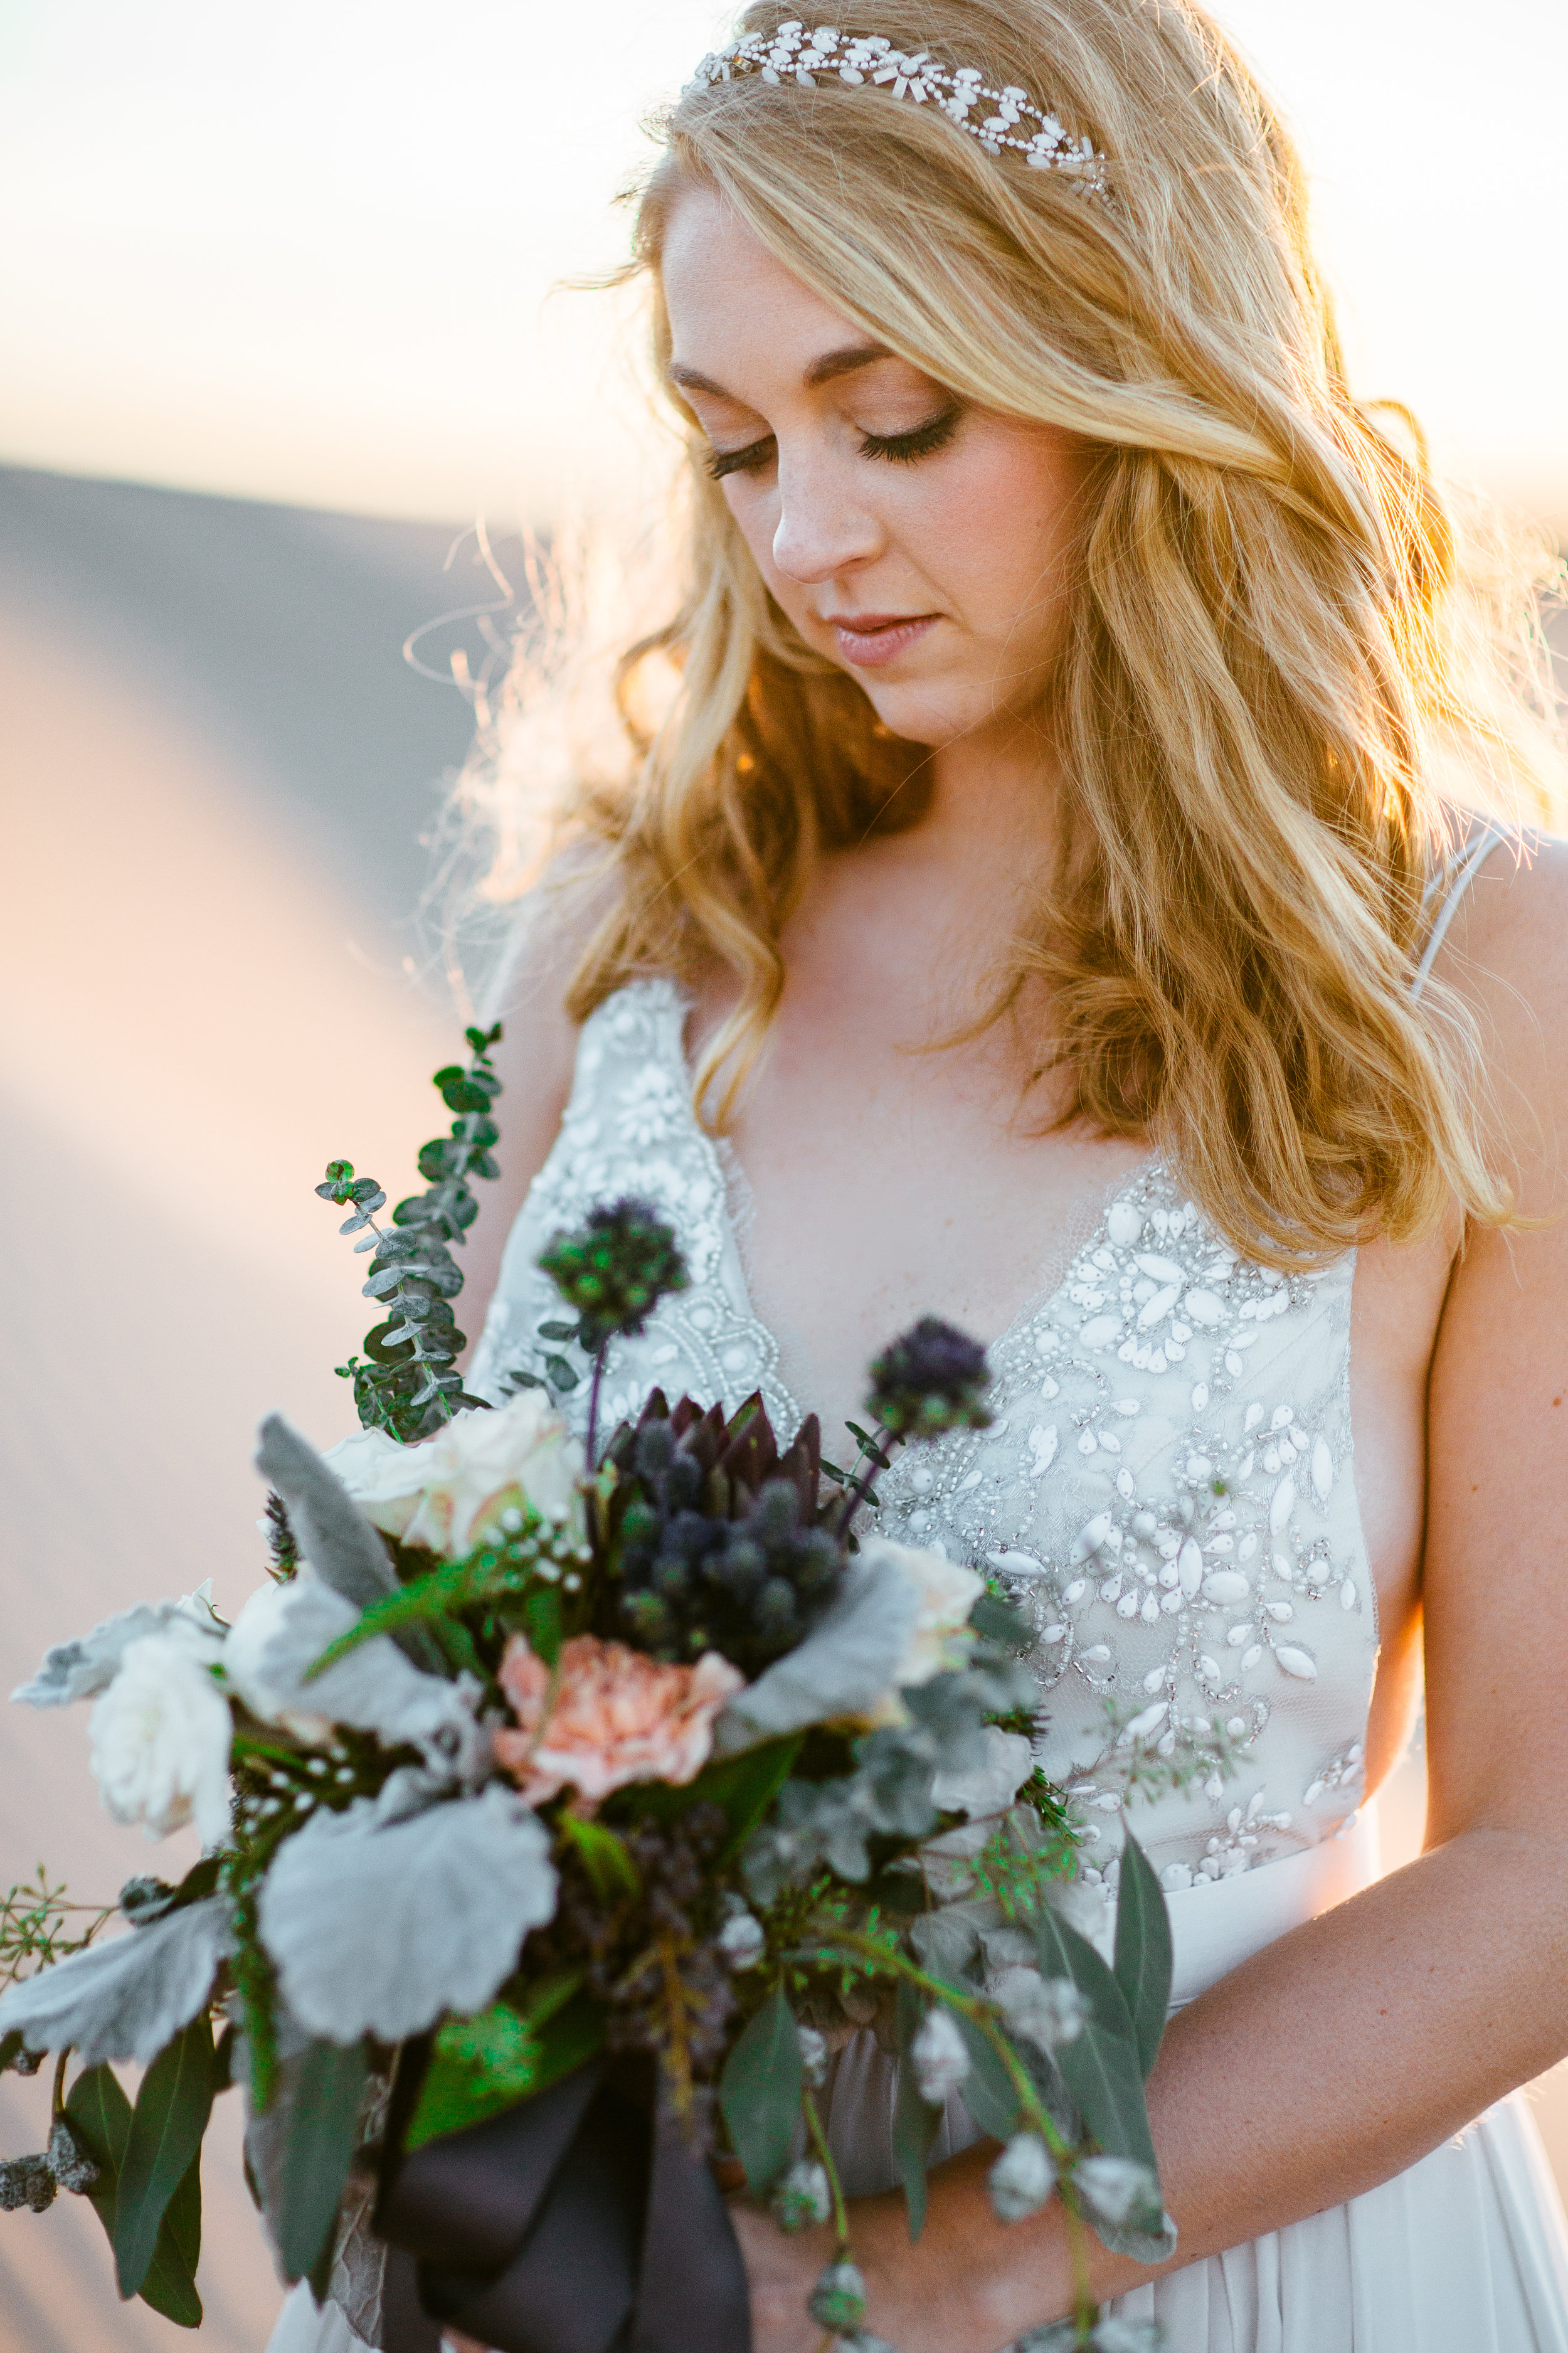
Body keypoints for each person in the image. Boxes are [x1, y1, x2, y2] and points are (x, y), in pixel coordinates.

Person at [270, 2, 1568, 2348]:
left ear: (1136, 370)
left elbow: (1550, 1863)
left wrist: (938, 2274)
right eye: (734, 441)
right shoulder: (639, 959)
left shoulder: (1480, 974)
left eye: (894, 420)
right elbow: (430, 1656)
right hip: (584, 2267)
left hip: (1207, 2275)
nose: (802, 537)